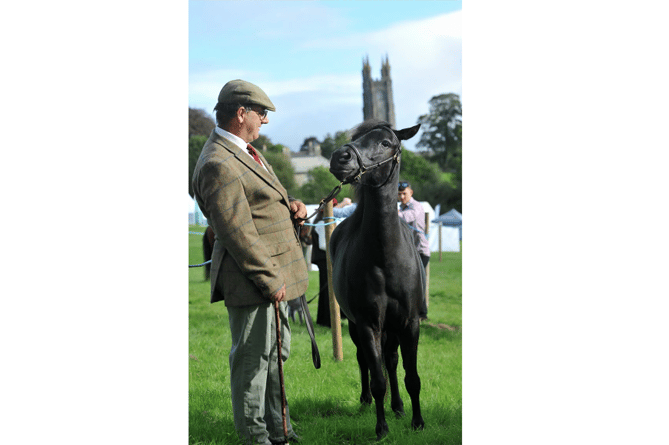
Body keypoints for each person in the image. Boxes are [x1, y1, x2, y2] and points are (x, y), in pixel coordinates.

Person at [191, 79, 308, 445]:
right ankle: (255, 437)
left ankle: (279, 430)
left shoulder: (243, 152)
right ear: (242, 114)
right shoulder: (218, 162)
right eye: (261, 113)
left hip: (270, 277)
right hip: (255, 280)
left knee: (274, 357)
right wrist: (270, 280)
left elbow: (260, 199)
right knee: (252, 363)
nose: (265, 121)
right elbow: (238, 233)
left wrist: (291, 203)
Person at [397, 180, 430, 320]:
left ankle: (421, 314)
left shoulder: (416, 207)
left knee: (416, 282)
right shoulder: (401, 208)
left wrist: (389, 213)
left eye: (404, 193)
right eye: (399, 194)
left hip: (420, 251)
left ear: (411, 192)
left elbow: (408, 217)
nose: (402, 197)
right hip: (409, 252)